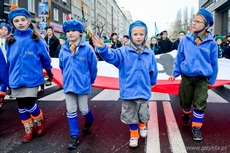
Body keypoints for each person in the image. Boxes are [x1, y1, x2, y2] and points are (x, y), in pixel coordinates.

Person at [93, 20, 158, 148]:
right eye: (135, 34)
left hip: (144, 90)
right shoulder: (123, 52)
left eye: (141, 34)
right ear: (130, 35)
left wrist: (152, 82)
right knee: (130, 115)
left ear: (145, 35)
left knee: (143, 113)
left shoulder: (149, 53)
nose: (138, 37)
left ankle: (142, 125)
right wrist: (103, 48)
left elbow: (153, 70)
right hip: (129, 91)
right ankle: (134, 134)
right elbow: (111, 56)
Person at [168, 8, 218, 141]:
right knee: (185, 102)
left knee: (200, 103)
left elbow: (214, 63)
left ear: (206, 25)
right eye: (193, 20)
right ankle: (186, 113)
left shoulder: (212, 43)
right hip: (187, 78)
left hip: (202, 79)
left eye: (198, 21)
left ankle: (196, 128)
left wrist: (212, 80)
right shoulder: (185, 40)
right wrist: (175, 73)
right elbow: (179, 57)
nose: (194, 23)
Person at [6, 7, 53, 142]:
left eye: (23, 19)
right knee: (20, 105)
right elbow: (9, 61)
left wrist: (48, 71)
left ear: (28, 21)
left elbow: (45, 57)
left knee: (29, 103)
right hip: (15, 77)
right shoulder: (10, 40)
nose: (20, 23)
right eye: (16, 21)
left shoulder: (36, 39)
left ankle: (39, 120)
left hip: (32, 77)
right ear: (12, 24)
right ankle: (29, 128)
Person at [59, 19, 98, 150]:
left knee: (83, 109)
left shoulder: (87, 49)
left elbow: (93, 66)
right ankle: (74, 136)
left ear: (80, 33)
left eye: (73, 31)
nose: (70, 33)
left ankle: (89, 119)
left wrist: (90, 80)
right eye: (68, 31)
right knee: (71, 110)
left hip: (82, 84)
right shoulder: (63, 48)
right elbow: (61, 65)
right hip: (69, 85)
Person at [0, 22, 11, 107]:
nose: (3, 31)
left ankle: (1, 96)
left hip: (5, 62)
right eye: (1, 29)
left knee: (4, 79)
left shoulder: (9, 41)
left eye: (5, 29)